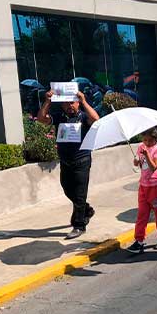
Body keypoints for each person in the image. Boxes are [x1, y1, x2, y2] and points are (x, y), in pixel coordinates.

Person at [37, 88, 99, 240]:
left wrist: (84, 101)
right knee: (67, 190)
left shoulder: (84, 117)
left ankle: (79, 225)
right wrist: (47, 101)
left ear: (77, 103)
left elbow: (96, 120)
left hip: (82, 160)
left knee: (79, 194)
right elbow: (41, 118)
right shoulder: (60, 117)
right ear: (62, 105)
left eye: (72, 102)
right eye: (66, 103)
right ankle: (86, 209)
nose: (69, 106)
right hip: (65, 161)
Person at [127, 127, 157, 253]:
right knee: (142, 214)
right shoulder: (141, 147)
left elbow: (153, 167)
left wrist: (146, 155)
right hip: (144, 186)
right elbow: (140, 164)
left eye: (149, 140)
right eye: (144, 140)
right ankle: (139, 240)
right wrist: (136, 161)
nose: (146, 143)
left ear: (155, 139)